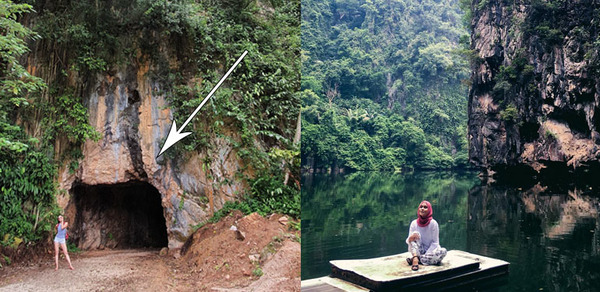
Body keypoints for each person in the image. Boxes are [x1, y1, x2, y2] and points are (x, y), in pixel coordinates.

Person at [405, 200, 447, 271]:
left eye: (425, 207)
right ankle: (421, 259)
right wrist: (410, 238)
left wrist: (427, 254)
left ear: (429, 210)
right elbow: (408, 241)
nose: (422, 209)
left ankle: (418, 259)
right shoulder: (414, 223)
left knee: (443, 251)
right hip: (418, 250)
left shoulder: (433, 223)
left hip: (430, 251)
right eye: (421, 207)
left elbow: (435, 243)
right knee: (415, 234)